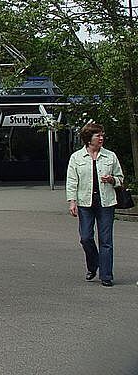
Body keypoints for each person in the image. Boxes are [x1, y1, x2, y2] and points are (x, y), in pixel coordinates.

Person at [66, 122, 124, 287]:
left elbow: (120, 178)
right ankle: (93, 265)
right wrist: (72, 202)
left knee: (106, 240)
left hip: (106, 202)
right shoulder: (76, 157)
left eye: (102, 135)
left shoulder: (110, 156)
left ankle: (106, 275)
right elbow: (71, 181)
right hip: (85, 202)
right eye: (98, 135)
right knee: (85, 238)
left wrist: (112, 179)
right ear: (88, 138)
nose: (101, 138)